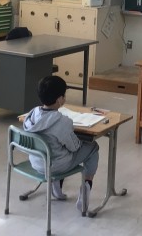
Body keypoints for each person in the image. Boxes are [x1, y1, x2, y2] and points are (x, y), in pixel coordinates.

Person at [22, 75, 99, 213]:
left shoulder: (32, 114)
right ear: (59, 100)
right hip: (55, 166)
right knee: (92, 147)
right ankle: (86, 186)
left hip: (37, 162)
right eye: (64, 95)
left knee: (57, 148)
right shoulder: (62, 122)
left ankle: (56, 187)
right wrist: (76, 136)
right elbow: (75, 147)